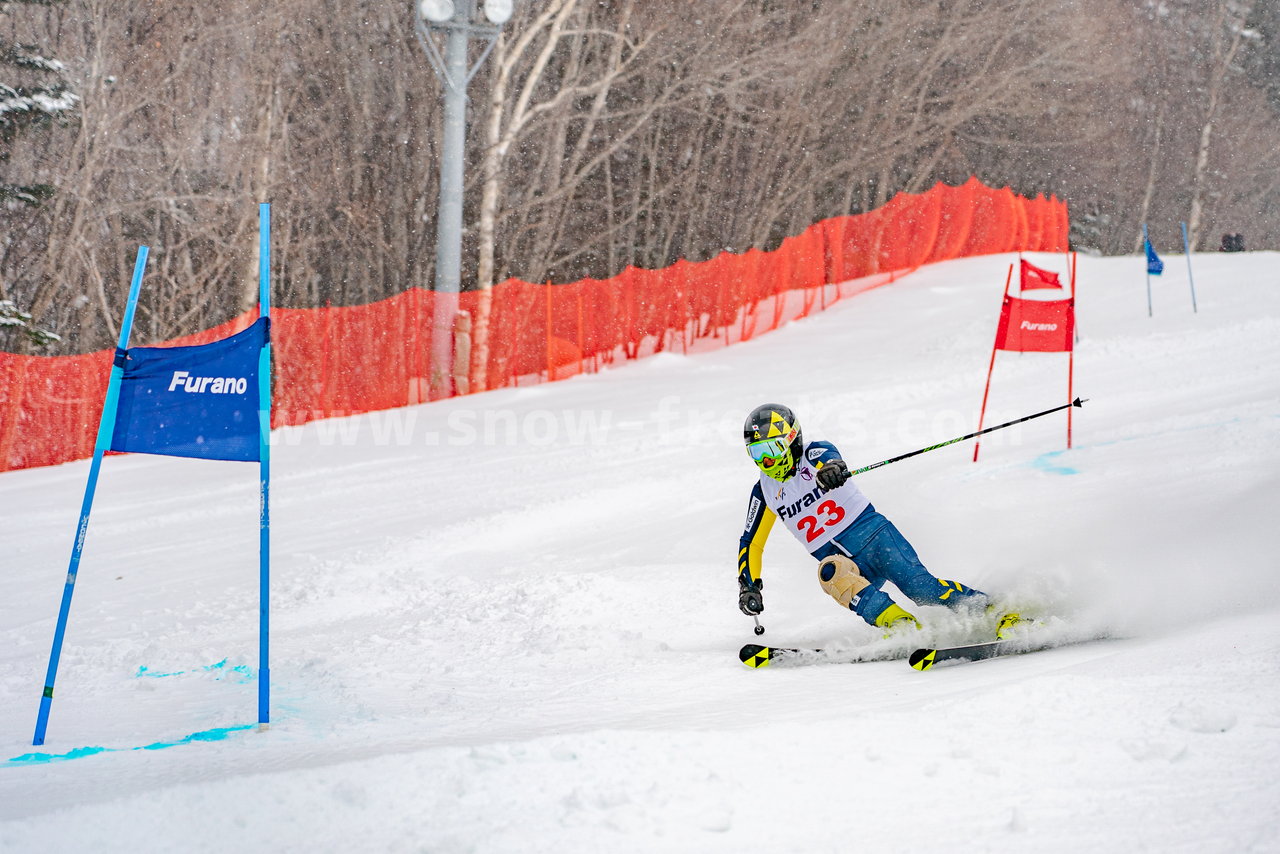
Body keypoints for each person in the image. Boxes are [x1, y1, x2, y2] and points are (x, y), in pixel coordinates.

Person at [737, 403, 1012, 635]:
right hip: (845, 562)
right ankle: (901, 626)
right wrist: (748, 584)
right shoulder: (764, 491)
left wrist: (832, 469)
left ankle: (995, 609)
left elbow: (830, 458)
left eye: (771, 450)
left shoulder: (813, 453)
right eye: (757, 454)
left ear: (792, 439)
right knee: (830, 573)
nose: (766, 462)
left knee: (920, 589)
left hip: (876, 540)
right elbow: (752, 542)